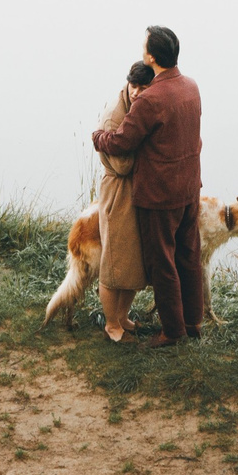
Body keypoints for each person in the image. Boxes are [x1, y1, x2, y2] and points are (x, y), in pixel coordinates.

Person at [90, 25, 203, 347]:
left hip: (161, 194)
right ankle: (193, 321)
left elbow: (122, 141)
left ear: (151, 56)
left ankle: (172, 330)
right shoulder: (191, 86)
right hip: (189, 187)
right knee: (188, 255)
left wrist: (98, 137)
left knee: (162, 261)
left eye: (144, 46)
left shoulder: (150, 98)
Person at [86, 62, 158, 341]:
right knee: (114, 261)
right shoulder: (114, 118)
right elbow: (123, 166)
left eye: (144, 87)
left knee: (133, 261)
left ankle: (123, 317)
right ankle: (111, 325)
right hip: (118, 192)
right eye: (134, 86)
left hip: (132, 192)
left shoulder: (136, 107)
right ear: (127, 84)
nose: (138, 92)